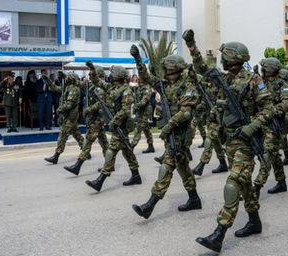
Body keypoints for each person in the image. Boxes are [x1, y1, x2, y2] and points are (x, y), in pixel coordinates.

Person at [182, 29, 273, 253]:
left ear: (233, 58)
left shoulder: (254, 80)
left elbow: (269, 108)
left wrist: (252, 126)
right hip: (230, 140)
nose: (221, 60)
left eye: (224, 56)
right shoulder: (224, 79)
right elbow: (202, 68)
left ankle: (219, 234)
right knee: (245, 185)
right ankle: (254, 222)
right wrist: (192, 46)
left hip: (246, 141)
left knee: (233, 183)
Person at [131, 45, 201, 219]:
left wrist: (169, 125)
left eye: (166, 68)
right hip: (171, 133)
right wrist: (138, 60)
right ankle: (194, 199)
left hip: (182, 133)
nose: (164, 71)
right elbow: (146, 77)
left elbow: (186, 112)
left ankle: (150, 205)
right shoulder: (163, 85)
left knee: (167, 166)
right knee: (183, 166)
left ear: (172, 69)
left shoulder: (187, 86)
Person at [85, 63, 142, 192]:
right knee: (127, 151)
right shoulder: (111, 87)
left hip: (121, 125)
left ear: (117, 76)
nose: (110, 76)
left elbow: (125, 110)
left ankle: (100, 180)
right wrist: (92, 70)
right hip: (116, 124)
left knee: (111, 151)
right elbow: (97, 83)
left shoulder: (126, 91)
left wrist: (115, 121)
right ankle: (136, 175)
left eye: (112, 74)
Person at [253, 58, 288, 197]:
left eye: (264, 69)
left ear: (269, 70)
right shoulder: (261, 84)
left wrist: (271, 111)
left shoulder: (283, 86)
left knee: (267, 155)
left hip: (274, 125)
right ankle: (282, 183)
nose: (262, 71)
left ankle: (257, 186)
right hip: (262, 124)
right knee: (275, 156)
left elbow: (287, 103)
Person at [64, 65, 109, 175]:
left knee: (88, 141)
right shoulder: (93, 85)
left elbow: (100, 103)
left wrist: (89, 109)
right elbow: (80, 84)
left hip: (98, 118)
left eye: (92, 75)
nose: (89, 77)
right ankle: (109, 164)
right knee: (104, 143)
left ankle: (77, 166)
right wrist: (69, 78)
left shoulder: (100, 88)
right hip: (95, 117)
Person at [44, 72, 84, 164]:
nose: (66, 78)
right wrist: (48, 80)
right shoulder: (67, 87)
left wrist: (60, 109)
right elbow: (54, 88)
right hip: (69, 116)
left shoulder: (73, 89)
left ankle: (56, 156)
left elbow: (69, 104)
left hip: (71, 116)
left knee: (62, 135)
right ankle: (86, 151)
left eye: (68, 77)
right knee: (77, 135)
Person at [131, 74, 155, 153]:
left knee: (139, 127)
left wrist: (136, 107)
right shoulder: (138, 88)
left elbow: (145, 100)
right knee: (146, 129)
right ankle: (151, 146)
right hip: (140, 110)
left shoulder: (147, 88)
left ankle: (132, 146)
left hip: (146, 110)